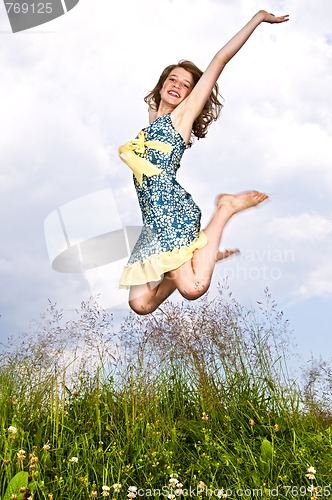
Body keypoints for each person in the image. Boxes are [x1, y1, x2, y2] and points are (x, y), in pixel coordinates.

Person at [118, 9, 289, 315]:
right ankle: (203, 253)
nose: (177, 85)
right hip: (153, 223)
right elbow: (153, 105)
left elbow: (220, 59)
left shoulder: (181, 119)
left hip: (171, 213)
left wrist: (258, 18)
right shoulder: (151, 122)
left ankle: (225, 208)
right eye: (172, 79)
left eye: (185, 84)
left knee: (194, 288)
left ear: (190, 96)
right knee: (141, 304)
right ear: (160, 86)